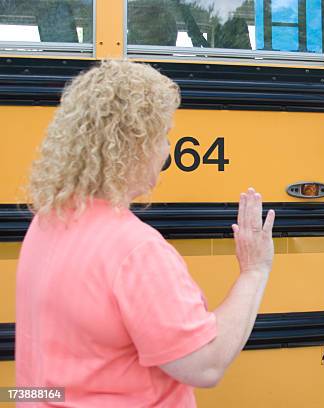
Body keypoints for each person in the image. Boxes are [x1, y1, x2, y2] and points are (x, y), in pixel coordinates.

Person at [15, 60, 275, 407]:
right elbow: (205, 365)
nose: (168, 151)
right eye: (163, 136)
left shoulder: (47, 223)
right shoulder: (134, 251)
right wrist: (254, 271)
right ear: (133, 144)